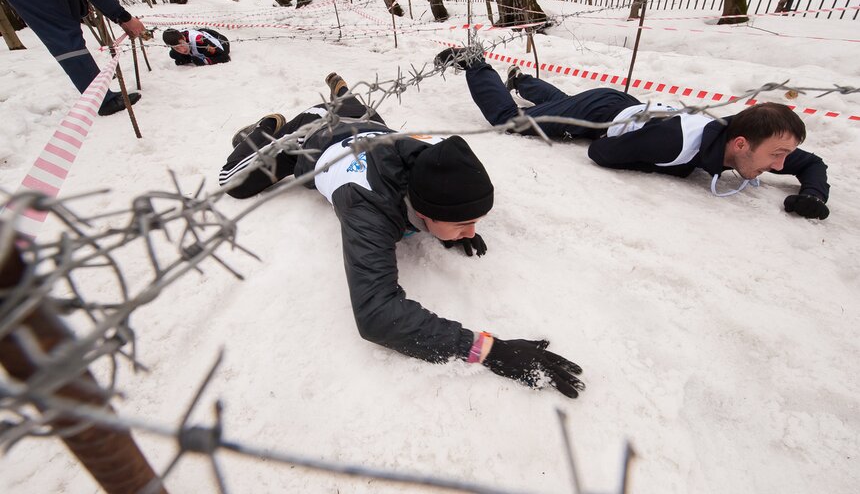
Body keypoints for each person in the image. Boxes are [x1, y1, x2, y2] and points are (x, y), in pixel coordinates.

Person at [218, 72, 585, 398]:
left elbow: (448, 194)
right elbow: (376, 315)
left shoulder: (436, 156)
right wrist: (489, 350)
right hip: (314, 135)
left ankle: (344, 94)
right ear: (423, 213)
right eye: (462, 223)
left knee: (359, 112)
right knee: (233, 183)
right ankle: (266, 128)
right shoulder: (366, 205)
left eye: (477, 220)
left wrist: (455, 226)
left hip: (371, 126)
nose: (471, 231)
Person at [435, 48, 830, 220]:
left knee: (563, 106)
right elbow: (602, 153)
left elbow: (811, 163)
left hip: (621, 105)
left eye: (782, 157)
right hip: (604, 114)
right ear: (741, 144)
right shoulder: (674, 142)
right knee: (512, 121)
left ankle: (524, 80)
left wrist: (812, 194)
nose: (780, 164)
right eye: (776, 155)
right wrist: (659, 163)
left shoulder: (750, 142)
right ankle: (475, 63)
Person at [0, 0, 148, 116]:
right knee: (63, 32)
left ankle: (98, 93)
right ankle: (103, 101)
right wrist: (123, 17)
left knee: (71, 15)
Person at [162, 27, 230, 66]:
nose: (182, 50)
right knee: (173, 54)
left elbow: (225, 57)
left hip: (218, 39)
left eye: (182, 45)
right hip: (198, 32)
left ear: (183, 38)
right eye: (177, 48)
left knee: (207, 52)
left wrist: (205, 61)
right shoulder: (174, 42)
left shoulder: (199, 41)